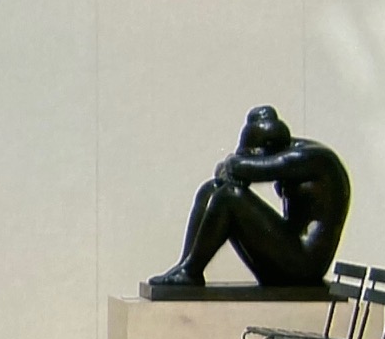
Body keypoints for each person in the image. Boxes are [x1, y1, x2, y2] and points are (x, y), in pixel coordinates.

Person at [149, 105, 350, 288]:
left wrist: (234, 165)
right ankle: (187, 266)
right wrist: (231, 168)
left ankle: (191, 271)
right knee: (212, 189)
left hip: (303, 267)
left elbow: (242, 168)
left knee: (230, 196)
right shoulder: (284, 149)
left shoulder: (312, 158)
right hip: (284, 261)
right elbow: (230, 169)